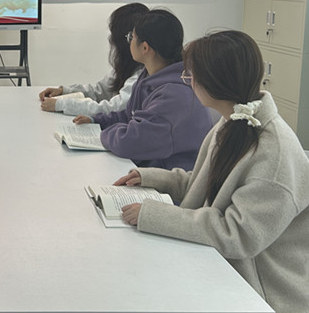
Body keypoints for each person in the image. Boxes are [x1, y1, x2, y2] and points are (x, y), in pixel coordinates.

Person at [116, 30, 309, 313]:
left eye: (191, 75)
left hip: (259, 294)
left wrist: (154, 214)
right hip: (219, 269)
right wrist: (152, 178)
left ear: (215, 81)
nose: (188, 80)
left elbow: (238, 234)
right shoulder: (234, 120)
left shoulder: (274, 152)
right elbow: (203, 182)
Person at [74, 9, 213, 170]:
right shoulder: (149, 75)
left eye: (131, 37)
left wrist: (102, 134)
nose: (129, 42)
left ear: (145, 48)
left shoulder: (173, 94)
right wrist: (98, 121)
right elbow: (130, 115)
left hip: (170, 177)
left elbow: (130, 143)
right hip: (149, 166)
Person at [39, 2, 149, 116]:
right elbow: (100, 91)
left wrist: (62, 104)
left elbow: (113, 109)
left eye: (133, 37)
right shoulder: (129, 66)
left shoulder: (141, 77)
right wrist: (65, 91)